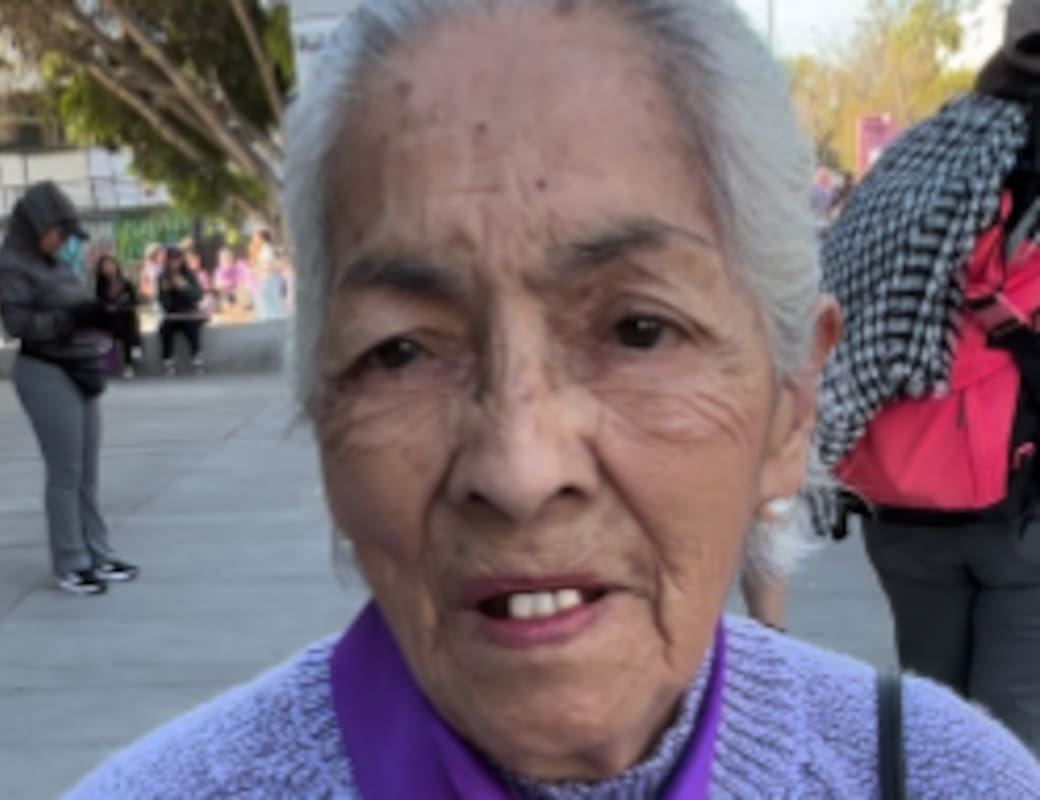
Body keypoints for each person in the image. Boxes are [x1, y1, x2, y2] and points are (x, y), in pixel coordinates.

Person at [67, 1, 1040, 797]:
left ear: (791, 402)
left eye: (639, 329)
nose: (521, 467)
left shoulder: (945, 777)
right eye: (401, 349)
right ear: (321, 411)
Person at [819, 1, 1040, 755]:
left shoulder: (925, 155)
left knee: (931, 723)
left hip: (903, 496)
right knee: (1010, 741)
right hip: (1020, 508)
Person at [0, 181, 139, 596]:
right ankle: (71, 562)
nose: (65, 241)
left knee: (87, 472)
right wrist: (72, 320)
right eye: (61, 232)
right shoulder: (12, 266)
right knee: (65, 472)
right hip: (45, 370)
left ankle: (98, 553)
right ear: (38, 225)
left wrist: (104, 315)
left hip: (79, 367)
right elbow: (20, 325)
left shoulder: (55, 264)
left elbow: (74, 306)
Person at [157, 246, 207, 375]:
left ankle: (196, 356)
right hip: (172, 314)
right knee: (165, 329)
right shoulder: (162, 277)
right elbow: (164, 304)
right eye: (171, 260)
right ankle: (168, 360)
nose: (174, 263)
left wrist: (184, 287)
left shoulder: (189, 274)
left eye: (177, 260)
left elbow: (197, 296)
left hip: (189, 311)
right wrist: (166, 291)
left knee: (191, 326)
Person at [94, 254, 143, 380]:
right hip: (109, 320)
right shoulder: (101, 285)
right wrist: (108, 307)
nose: (108, 268)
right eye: (105, 266)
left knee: (128, 328)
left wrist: (121, 306)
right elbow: (99, 302)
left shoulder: (126, 283)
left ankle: (129, 363)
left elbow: (135, 301)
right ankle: (109, 364)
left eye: (111, 265)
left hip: (125, 317)